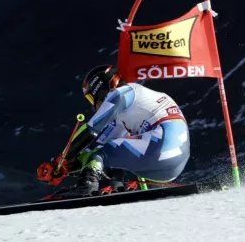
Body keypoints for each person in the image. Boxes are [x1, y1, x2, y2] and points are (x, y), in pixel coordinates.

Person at [47, 64, 191, 196]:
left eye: (92, 98)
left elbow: (91, 131)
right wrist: (65, 169)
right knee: (108, 155)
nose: (93, 106)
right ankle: (116, 186)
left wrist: (58, 162)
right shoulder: (129, 108)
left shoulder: (122, 93)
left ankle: (87, 186)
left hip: (162, 144)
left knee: (101, 155)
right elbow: (96, 147)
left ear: (101, 90)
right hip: (173, 164)